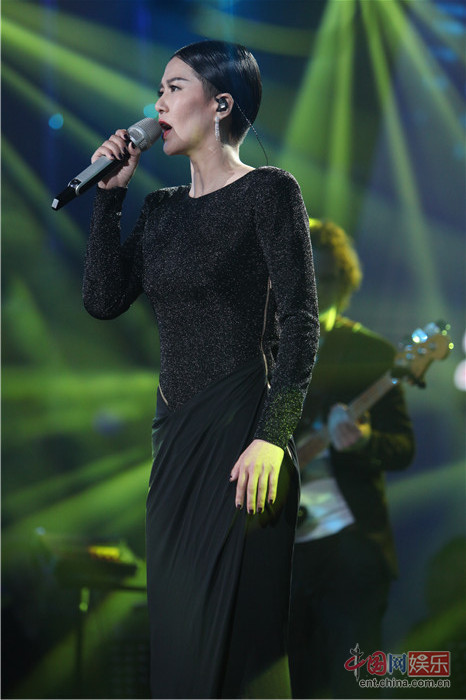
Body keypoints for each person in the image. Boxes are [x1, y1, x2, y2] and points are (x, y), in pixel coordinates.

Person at [82, 40, 319, 699]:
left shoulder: (269, 191)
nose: (157, 103)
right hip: (178, 445)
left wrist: (272, 436)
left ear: (220, 105)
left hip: (246, 438)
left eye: (174, 87)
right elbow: (102, 301)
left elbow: (301, 320)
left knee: (243, 651)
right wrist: (109, 199)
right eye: (158, 90)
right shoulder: (161, 209)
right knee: (180, 644)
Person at [287, 220, 415, 699]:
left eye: (323, 278)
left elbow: (402, 447)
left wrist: (363, 443)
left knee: (353, 684)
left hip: (352, 552)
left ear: (343, 282)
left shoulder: (373, 354)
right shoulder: (266, 352)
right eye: (303, 276)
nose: (313, 289)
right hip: (282, 552)